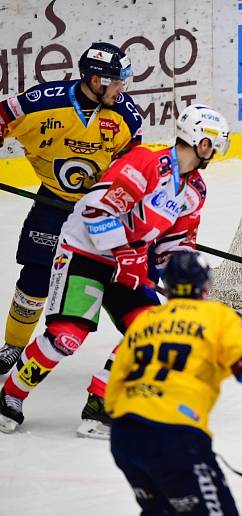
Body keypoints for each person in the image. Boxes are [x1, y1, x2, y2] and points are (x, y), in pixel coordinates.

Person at [0, 104, 231, 436]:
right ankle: (10, 396)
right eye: (215, 143)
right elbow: (97, 213)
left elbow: (176, 246)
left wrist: (190, 289)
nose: (216, 151)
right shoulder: (145, 163)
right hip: (84, 252)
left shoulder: (195, 192)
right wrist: (127, 254)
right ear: (202, 141)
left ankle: (100, 406)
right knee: (66, 336)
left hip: (128, 262)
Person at [107, 251, 242, 516]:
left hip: (125, 436)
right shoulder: (218, 316)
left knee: (159, 515)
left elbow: (113, 389)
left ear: (168, 284)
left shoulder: (145, 322)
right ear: (204, 284)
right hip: (175, 438)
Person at [0, 42, 143, 374]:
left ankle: (138, 349)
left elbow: (131, 161)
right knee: (35, 274)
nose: (122, 88)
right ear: (96, 81)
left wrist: (120, 205)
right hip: (53, 202)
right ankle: (13, 346)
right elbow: (3, 116)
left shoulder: (124, 114)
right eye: (117, 81)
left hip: (103, 209)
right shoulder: (44, 103)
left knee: (123, 280)